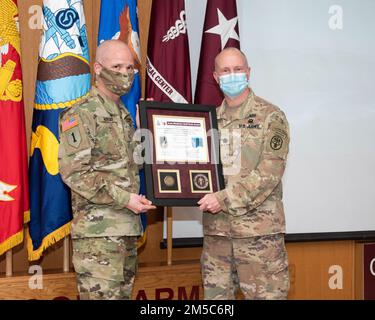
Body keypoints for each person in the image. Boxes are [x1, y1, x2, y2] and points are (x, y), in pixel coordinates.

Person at [58, 40, 155, 300]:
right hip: (98, 236)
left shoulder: (123, 114)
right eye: (117, 66)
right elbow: (75, 173)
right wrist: (126, 199)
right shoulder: (81, 114)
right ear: (98, 69)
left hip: (127, 229)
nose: (125, 73)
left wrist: (147, 123)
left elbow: (135, 164)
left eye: (129, 67)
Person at [198, 47, 290, 300]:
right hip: (217, 236)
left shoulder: (271, 116)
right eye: (225, 71)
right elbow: (195, 170)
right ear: (215, 77)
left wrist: (223, 199)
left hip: (258, 237)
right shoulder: (208, 121)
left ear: (248, 73)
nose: (232, 75)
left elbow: (269, 174)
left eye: (238, 69)